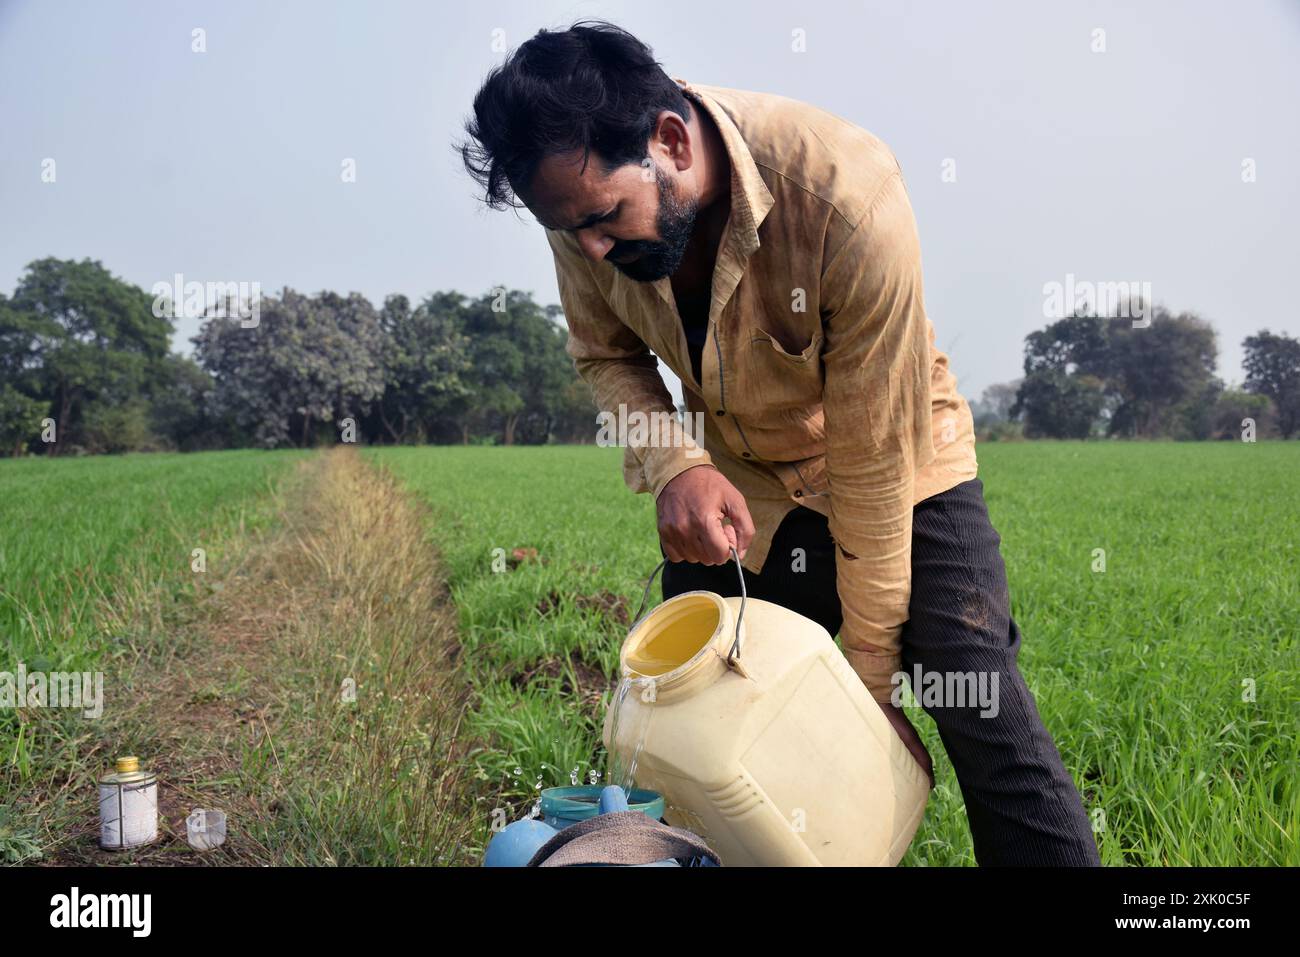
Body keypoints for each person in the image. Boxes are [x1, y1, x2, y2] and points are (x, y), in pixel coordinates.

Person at [459, 19, 1100, 866]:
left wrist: (865, 695)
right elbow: (603, 354)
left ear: (672, 140)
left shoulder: (847, 197)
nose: (592, 249)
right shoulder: (581, 205)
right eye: (572, 230)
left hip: (898, 458)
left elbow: (873, 459)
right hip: (738, 473)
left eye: (607, 219)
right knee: (686, 704)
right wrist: (675, 464)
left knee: (971, 681)